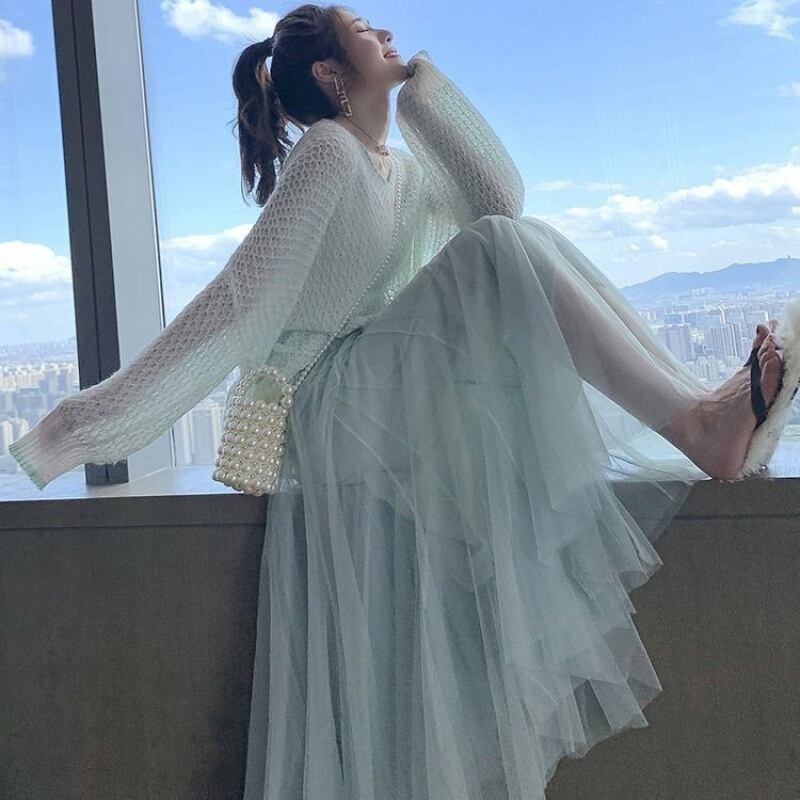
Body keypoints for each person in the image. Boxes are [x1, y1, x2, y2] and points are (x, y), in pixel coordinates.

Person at [9, 4, 799, 797]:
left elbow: (503, 202)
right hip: (328, 399)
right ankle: (698, 422)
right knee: (500, 248)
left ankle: (699, 411)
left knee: (516, 239)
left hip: (378, 386)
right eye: (364, 29)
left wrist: (426, 98)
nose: (386, 32)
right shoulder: (327, 152)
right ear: (329, 72)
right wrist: (80, 425)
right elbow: (236, 300)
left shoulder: (401, 168)